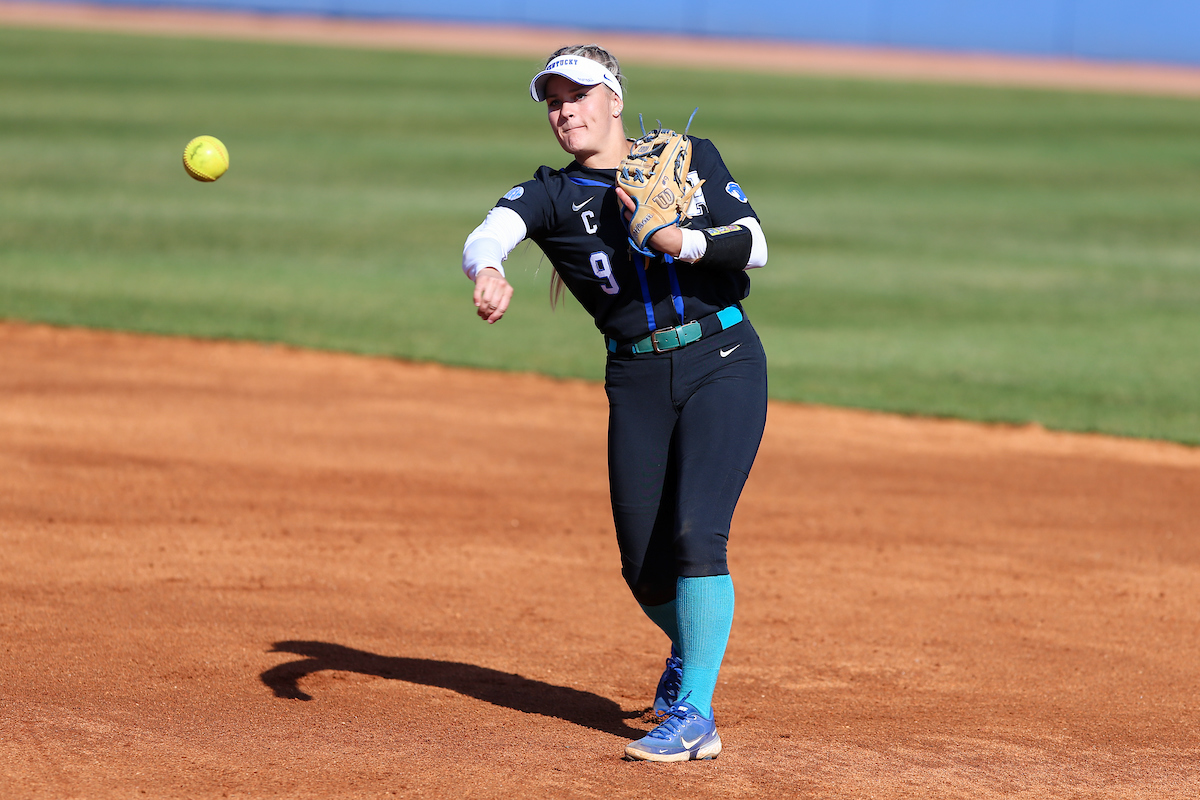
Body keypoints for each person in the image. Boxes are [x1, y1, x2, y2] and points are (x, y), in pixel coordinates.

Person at [461, 44, 768, 762]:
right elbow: (489, 231)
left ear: (614, 100)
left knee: (697, 536)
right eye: (554, 101)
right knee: (642, 567)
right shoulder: (552, 196)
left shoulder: (688, 158)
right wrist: (489, 270)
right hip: (635, 382)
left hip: (722, 360)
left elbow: (752, 244)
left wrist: (676, 239)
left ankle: (695, 714)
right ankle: (689, 651)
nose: (566, 110)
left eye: (579, 95)